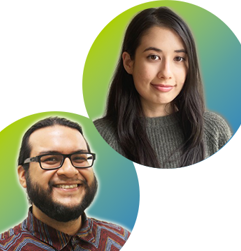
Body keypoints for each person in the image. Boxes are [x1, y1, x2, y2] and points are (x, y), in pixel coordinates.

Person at [0, 117, 130, 251]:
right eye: (50, 159)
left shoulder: (122, 239)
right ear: (23, 176)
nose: (69, 170)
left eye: (79, 158)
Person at [94, 7, 232, 168]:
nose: (166, 73)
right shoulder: (99, 137)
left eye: (179, 58)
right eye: (153, 57)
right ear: (128, 62)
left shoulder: (214, 131)